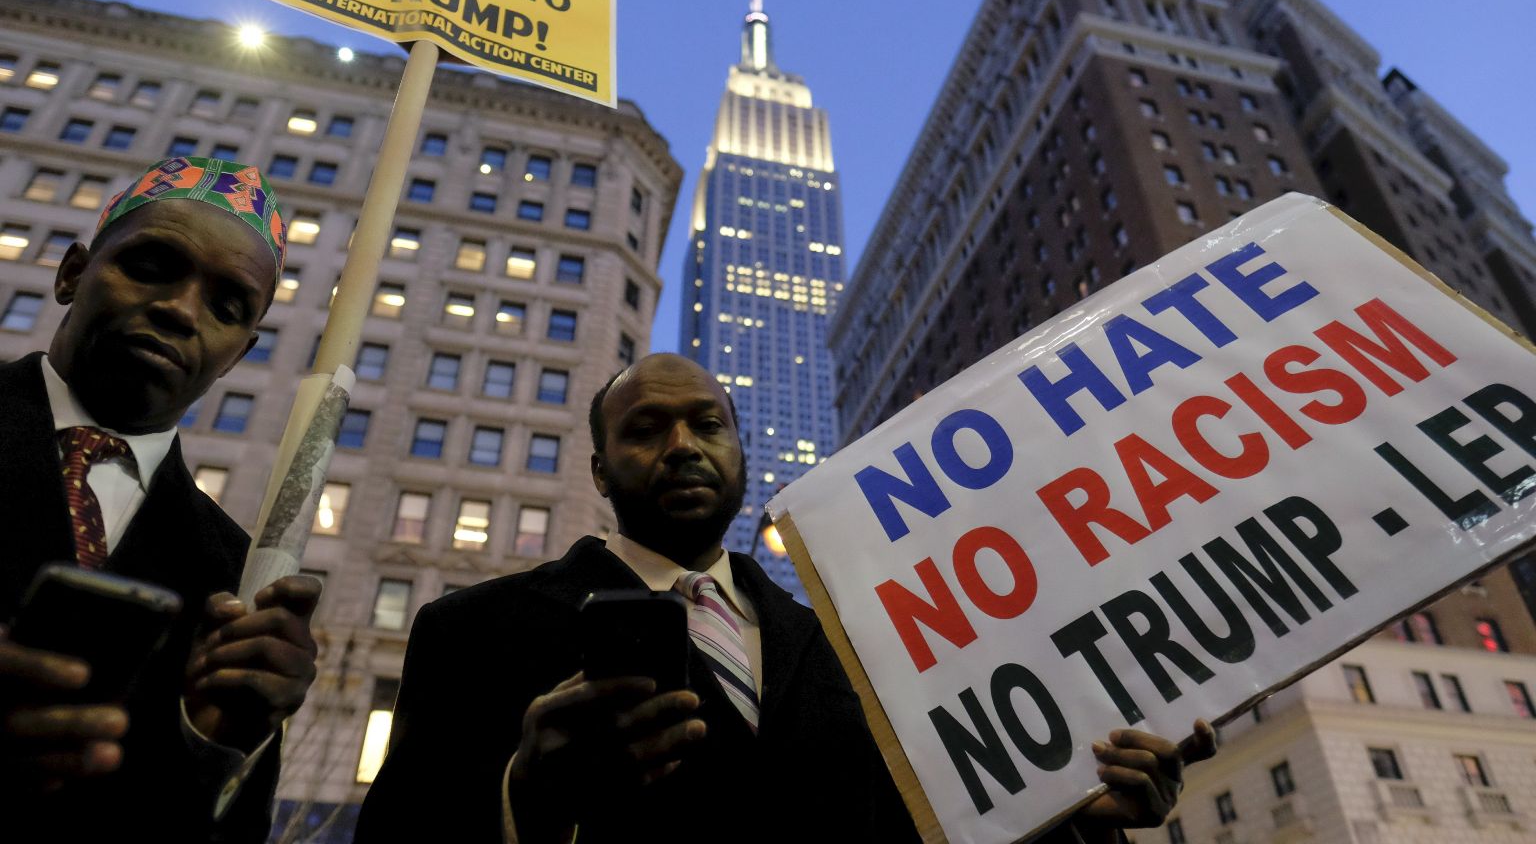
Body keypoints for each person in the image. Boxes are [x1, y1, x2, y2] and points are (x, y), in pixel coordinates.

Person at [356, 353, 1214, 843]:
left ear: (743, 449)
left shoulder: (856, 643)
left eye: (707, 424)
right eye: (646, 429)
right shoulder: (470, 630)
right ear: (598, 468)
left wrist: (1076, 817)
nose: (682, 445)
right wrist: (526, 794)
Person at [0, 157, 320, 842]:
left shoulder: (238, 574)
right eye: (150, 266)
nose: (180, 310)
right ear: (71, 274)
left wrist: (221, 745)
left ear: (238, 354)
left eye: (226, 306)